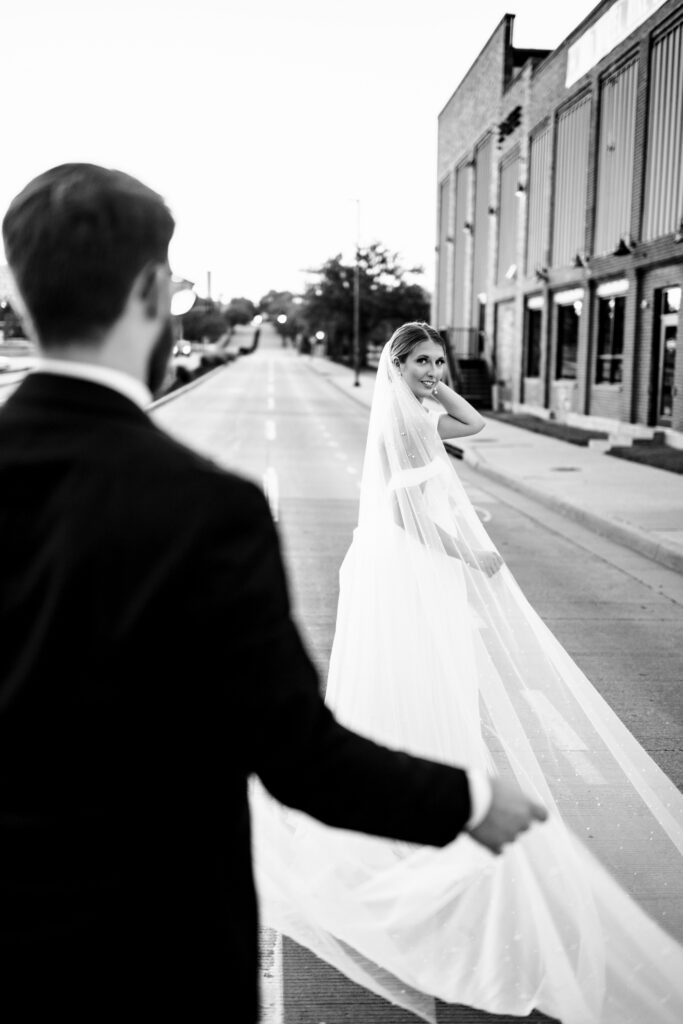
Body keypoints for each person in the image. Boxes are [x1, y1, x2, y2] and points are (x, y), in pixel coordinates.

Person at [0, 166, 545, 1021]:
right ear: (152, 291)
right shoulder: (204, 507)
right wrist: (470, 799)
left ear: (24, 293)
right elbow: (297, 758)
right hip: (155, 952)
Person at [252, 322, 683, 1024]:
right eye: (419, 361)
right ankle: (407, 805)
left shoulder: (419, 412)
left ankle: (418, 786)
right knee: (419, 673)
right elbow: (403, 511)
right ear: (395, 364)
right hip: (412, 567)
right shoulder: (402, 424)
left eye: (438, 360)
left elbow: (473, 422)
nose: (431, 371)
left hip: (412, 568)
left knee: (433, 676)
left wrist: (430, 386)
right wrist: (467, 554)